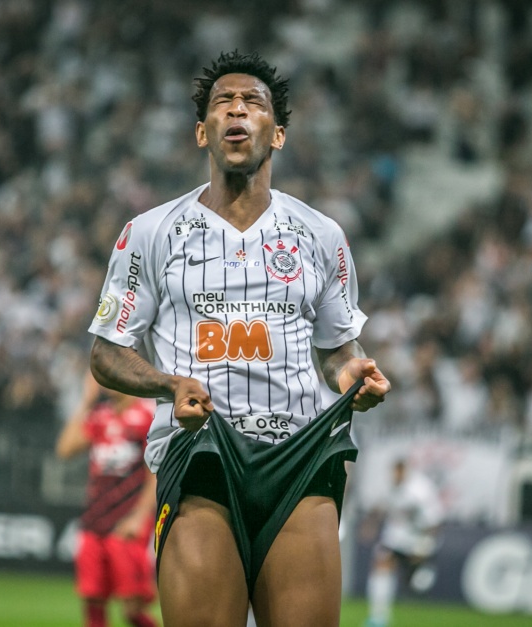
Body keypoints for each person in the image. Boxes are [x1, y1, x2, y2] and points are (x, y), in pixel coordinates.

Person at [88, 50, 390, 627]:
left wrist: (352, 372)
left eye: (252, 102)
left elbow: (337, 349)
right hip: (203, 450)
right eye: (222, 102)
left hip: (302, 453)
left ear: (276, 134)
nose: (236, 110)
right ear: (203, 132)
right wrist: (169, 383)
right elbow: (106, 352)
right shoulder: (149, 233)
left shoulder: (322, 235)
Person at [56, 373, 158, 627]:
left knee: (132, 609)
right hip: (94, 522)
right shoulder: (100, 416)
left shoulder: (146, 417)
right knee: (93, 605)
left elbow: (155, 474)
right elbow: (65, 449)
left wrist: (139, 516)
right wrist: (86, 402)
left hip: (126, 524)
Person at [364, 459, 444, 627]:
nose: (395, 476)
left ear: (406, 472)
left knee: (417, 585)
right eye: (393, 472)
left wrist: (426, 545)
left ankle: (421, 575)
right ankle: (378, 618)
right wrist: (370, 524)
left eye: (398, 472)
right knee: (381, 564)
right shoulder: (390, 487)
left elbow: (434, 521)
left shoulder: (420, 490)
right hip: (394, 538)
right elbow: (381, 506)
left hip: (417, 540)